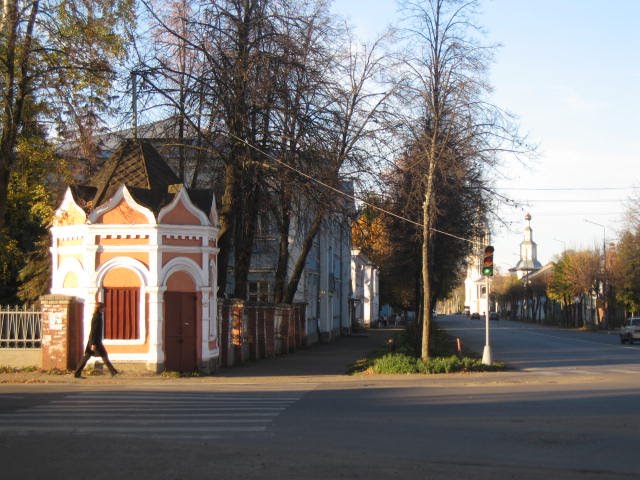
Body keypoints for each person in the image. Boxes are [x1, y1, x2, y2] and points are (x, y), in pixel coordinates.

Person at [74, 302, 118, 378]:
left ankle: (77, 373)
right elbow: (94, 330)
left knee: (88, 356)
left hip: (95, 341)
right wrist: (93, 344)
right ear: (100, 308)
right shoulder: (96, 317)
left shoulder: (98, 316)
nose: (105, 309)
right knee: (102, 356)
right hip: (95, 341)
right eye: (103, 307)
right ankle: (114, 372)